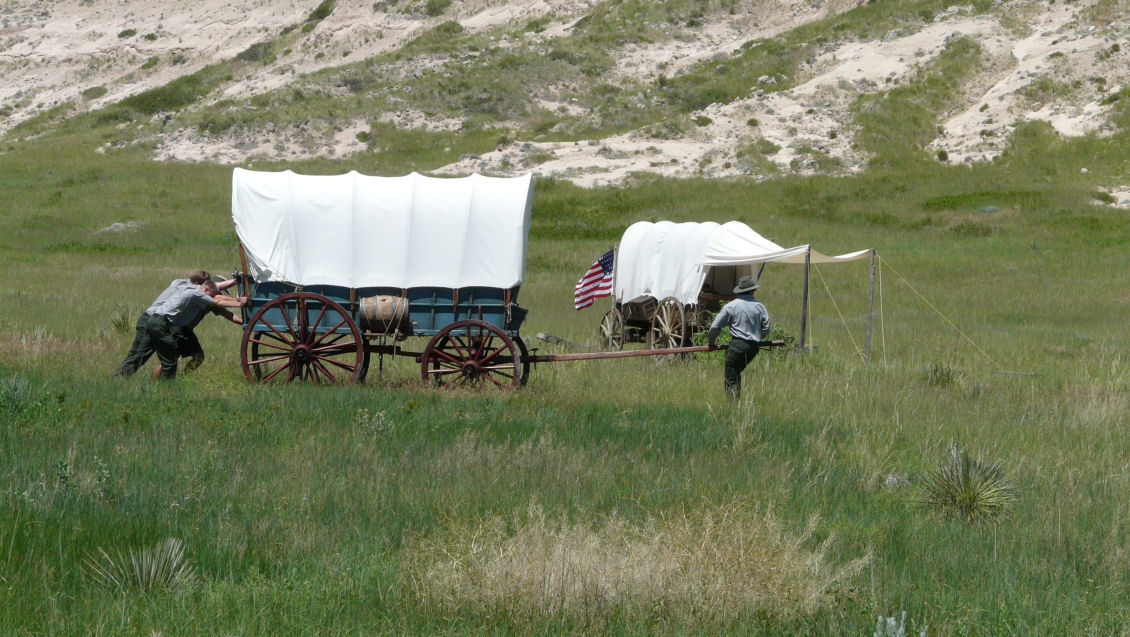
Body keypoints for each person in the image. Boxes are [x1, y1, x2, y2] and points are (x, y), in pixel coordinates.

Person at [116, 271, 244, 379]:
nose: (220, 294)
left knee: (148, 356)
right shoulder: (199, 294)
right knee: (169, 357)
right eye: (219, 291)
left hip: (165, 323)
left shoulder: (197, 291)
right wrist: (239, 300)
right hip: (175, 327)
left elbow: (227, 312)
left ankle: (123, 378)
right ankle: (162, 384)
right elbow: (218, 302)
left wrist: (244, 321)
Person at [706, 275, 771, 401]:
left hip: (738, 345)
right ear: (752, 291)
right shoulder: (760, 307)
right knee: (736, 372)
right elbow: (766, 329)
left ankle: (732, 406)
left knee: (730, 377)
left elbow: (715, 327)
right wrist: (757, 336)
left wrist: (711, 342)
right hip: (754, 348)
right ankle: (737, 403)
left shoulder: (731, 306)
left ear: (739, 291)